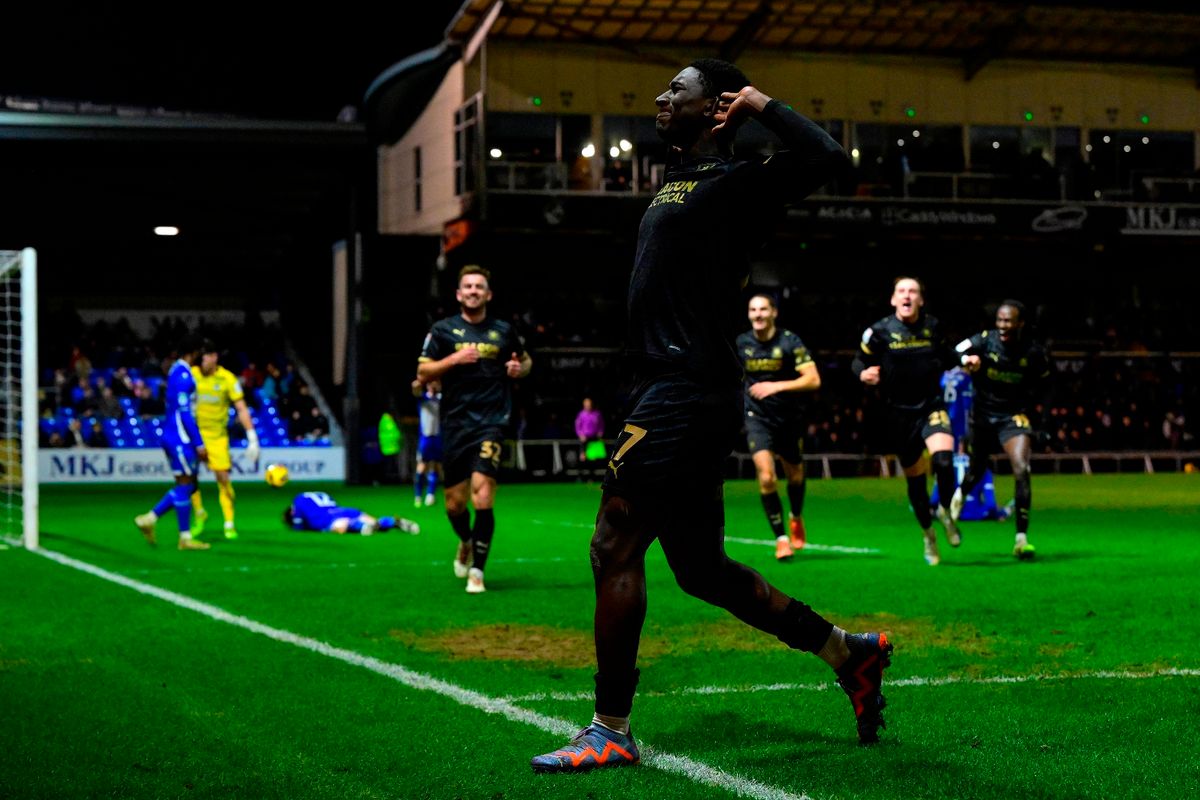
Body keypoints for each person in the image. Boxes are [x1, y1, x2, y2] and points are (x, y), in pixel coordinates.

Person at [530, 58, 892, 774]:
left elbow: (825, 156)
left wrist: (758, 103)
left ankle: (610, 727)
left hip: (684, 388)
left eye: (678, 91)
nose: (661, 97)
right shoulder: (677, 180)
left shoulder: (739, 183)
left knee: (613, 544)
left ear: (717, 106)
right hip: (671, 386)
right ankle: (846, 651)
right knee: (700, 571)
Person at [416, 265, 532, 594]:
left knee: (483, 492)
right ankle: (466, 541)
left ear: (488, 294)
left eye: (479, 286)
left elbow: (525, 362)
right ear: (458, 294)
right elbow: (422, 372)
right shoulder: (441, 331)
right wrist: (453, 360)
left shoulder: (504, 330)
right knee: (454, 504)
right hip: (455, 424)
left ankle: (477, 571)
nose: (473, 291)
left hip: (493, 422)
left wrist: (517, 368)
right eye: (467, 286)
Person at [852, 277, 961, 566]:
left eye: (913, 291)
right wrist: (863, 375)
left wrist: (966, 361)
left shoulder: (933, 327)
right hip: (898, 415)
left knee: (944, 462)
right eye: (902, 291)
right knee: (916, 485)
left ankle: (945, 511)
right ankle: (929, 535)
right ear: (893, 299)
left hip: (931, 407)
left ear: (921, 300)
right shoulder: (879, 331)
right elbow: (857, 362)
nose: (907, 295)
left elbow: (948, 356)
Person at [953, 300, 1051, 560]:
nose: (1003, 325)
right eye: (1000, 320)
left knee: (1022, 469)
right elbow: (953, 351)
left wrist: (1042, 425)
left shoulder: (1033, 352)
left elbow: (1048, 388)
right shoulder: (984, 341)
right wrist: (965, 358)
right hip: (982, 417)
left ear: (1020, 323)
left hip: (1012, 417)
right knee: (976, 469)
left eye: (1008, 321)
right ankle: (959, 496)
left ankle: (1021, 539)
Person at [737, 292, 821, 560]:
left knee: (795, 476)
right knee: (766, 476)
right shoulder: (741, 344)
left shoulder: (789, 342)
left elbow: (813, 379)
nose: (758, 314)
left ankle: (796, 515)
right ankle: (781, 539)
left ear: (774, 313)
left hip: (788, 418)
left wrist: (776, 386)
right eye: (753, 310)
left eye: (763, 309)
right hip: (756, 417)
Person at [134, 336, 210, 551]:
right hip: (181, 439)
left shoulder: (175, 371)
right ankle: (181, 536)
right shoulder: (185, 376)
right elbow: (186, 414)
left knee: (187, 485)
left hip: (170, 435)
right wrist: (199, 443)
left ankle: (151, 520)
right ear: (193, 353)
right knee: (187, 485)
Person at [190, 339, 260, 540]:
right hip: (194, 434)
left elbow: (241, 408)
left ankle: (229, 523)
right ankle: (200, 515)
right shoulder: (192, 375)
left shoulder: (227, 378)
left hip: (217, 437)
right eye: (200, 358)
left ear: (214, 357)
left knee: (223, 477)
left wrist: (252, 437)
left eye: (206, 357)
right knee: (189, 477)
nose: (202, 362)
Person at [283, 491, 419, 535]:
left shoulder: (297, 502)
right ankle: (393, 521)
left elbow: (299, 526)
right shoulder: (315, 494)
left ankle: (360, 527)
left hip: (328, 518)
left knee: (340, 527)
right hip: (345, 510)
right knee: (374, 521)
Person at [411, 377, 444, 508]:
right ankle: (418, 496)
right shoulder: (424, 398)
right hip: (426, 437)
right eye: (433, 383)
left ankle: (430, 495)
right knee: (422, 465)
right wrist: (416, 385)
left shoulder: (441, 399)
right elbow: (416, 392)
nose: (435, 385)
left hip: (438, 436)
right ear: (429, 385)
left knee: (436, 466)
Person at [574, 396, 606, 466]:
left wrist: (600, 433)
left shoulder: (597, 414)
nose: (588, 406)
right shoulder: (581, 414)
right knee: (583, 458)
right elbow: (578, 426)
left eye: (589, 404)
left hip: (594, 438)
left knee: (594, 459)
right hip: (584, 439)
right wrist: (580, 435)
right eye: (586, 404)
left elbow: (601, 425)